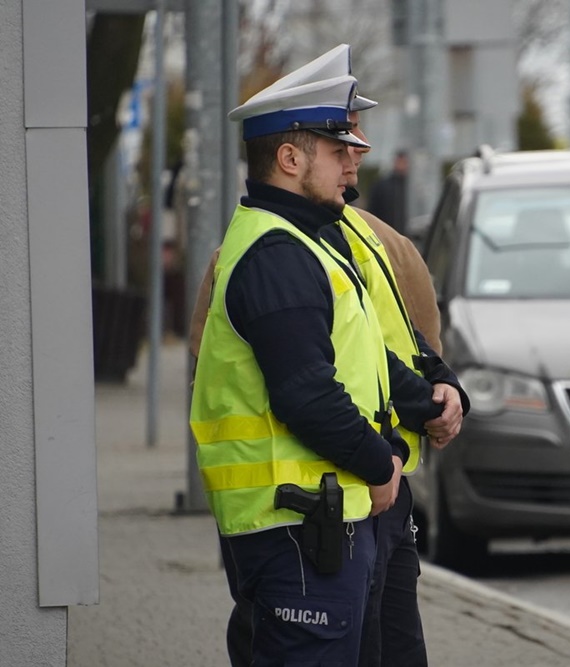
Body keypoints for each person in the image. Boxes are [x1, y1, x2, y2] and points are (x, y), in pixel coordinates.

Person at [189, 45, 467, 667]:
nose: (356, 159)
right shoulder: (277, 253)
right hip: (298, 526)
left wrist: (429, 403)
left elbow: (365, 358)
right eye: (339, 149)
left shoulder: (306, 241)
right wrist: (381, 464)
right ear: (290, 158)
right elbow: (307, 392)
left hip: (321, 520)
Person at [367, 149, 410, 235]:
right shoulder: (382, 185)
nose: (402, 165)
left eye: (404, 162)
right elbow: (373, 210)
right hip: (386, 233)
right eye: (400, 162)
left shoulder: (411, 187)